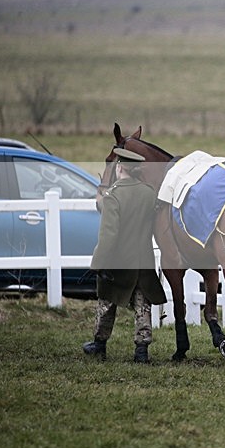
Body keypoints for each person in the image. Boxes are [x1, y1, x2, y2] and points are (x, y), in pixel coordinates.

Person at [83, 148, 167, 363]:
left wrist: (99, 263)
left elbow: (109, 235)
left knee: (107, 303)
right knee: (142, 306)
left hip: (118, 262)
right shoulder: (149, 193)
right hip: (142, 261)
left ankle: (99, 345)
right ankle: (142, 352)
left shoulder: (113, 196)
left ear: (119, 167)